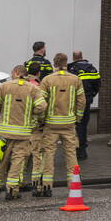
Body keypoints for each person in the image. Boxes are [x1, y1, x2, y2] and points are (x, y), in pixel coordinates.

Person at [0, 65, 47, 200]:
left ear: (15, 72)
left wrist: (2, 110)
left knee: (0, 162)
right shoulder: (33, 89)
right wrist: (31, 112)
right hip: (22, 134)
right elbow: (42, 106)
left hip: (4, 133)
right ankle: (12, 191)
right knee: (17, 162)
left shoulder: (4, 86)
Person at [35, 52, 86, 197]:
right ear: (66, 63)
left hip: (51, 124)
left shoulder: (47, 80)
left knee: (48, 155)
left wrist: (41, 119)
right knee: (71, 154)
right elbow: (82, 101)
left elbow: (41, 103)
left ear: (54, 64)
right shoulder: (75, 80)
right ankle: (74, 185)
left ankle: (46, 186)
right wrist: (78, 118)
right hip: (69, 124)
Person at [67, 50, 101, 161]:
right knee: (83, 127)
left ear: (73, 58)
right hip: (87, 102)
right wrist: (90, 96)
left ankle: (75, 151)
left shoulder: (72, 69)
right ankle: (82, 151)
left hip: (75, 102)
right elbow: (97, 85)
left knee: (75, 126)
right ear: (82, 56)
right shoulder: (92, 69)